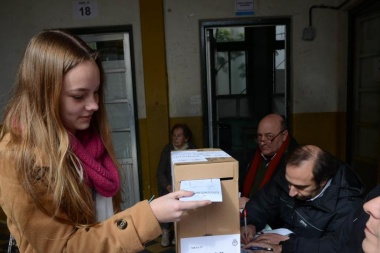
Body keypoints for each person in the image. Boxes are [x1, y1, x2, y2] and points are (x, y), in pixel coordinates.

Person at [0, 30, 211, 253]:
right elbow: (63, 247)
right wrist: (149, 216)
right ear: (43, 96)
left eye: (97, 92)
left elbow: (102, 222)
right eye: (79, 96)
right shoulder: (16, 156)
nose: (94, 105)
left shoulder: (86, 140)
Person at [241, 145, 365, 253]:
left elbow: (334, 247)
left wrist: (288, 244)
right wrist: (250, 223)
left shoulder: (348, 206)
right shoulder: (294, 175)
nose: (291, 192)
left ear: (322, 181)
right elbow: (262, 202)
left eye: (300, 187)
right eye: (289, 183)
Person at [239, 113, 298, 209]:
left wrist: (252, 204)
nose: (263, 142)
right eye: (259, 136)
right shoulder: (255, 155)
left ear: (284, 135)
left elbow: (286, 204)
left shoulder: (293, 162)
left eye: (269, 136)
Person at [156, 123, 197, 246]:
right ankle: (165, 232)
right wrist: (169, 186)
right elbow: (160, 172)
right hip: (170, 186)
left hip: (187, 186)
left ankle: (180, 233)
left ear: (186, 138)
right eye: (174, 135)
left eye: (179, 136)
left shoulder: (193, 149)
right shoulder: (167, 149)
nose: (176, 138)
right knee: (166, 198)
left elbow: (197, 169)